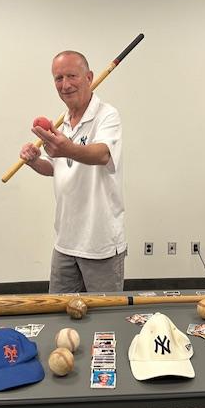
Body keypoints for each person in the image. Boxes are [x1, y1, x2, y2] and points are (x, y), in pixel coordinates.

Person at [20, 50, 126, 293]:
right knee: (59, 318)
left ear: (89, 77)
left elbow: (102, 154)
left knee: (104, 320)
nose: (65, 85)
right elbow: (57, 168)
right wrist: (35, 161)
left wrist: (67, 148)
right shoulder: (62, 121)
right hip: (65, 242)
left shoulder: (107, 115)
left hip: (100, 244)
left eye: (72, 76)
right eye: (58, 78)